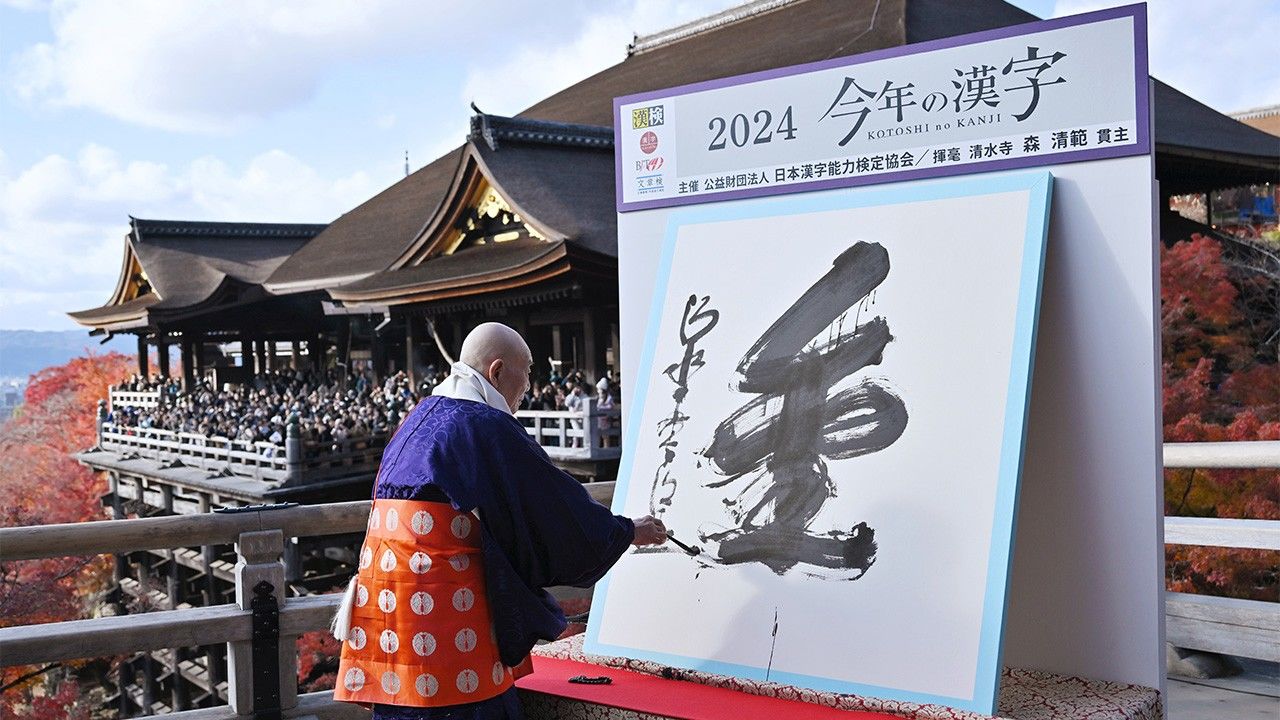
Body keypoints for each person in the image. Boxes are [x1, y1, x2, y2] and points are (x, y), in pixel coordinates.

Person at [333, 322, 666, 719]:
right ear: (497, 371)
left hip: (388, 604)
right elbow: (553, 505)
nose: (529, 384)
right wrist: (625, 531)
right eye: (527, 370)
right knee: (465, 705)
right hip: (441, 612)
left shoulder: (421, 415)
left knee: (405, 703)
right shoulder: (484, 425)